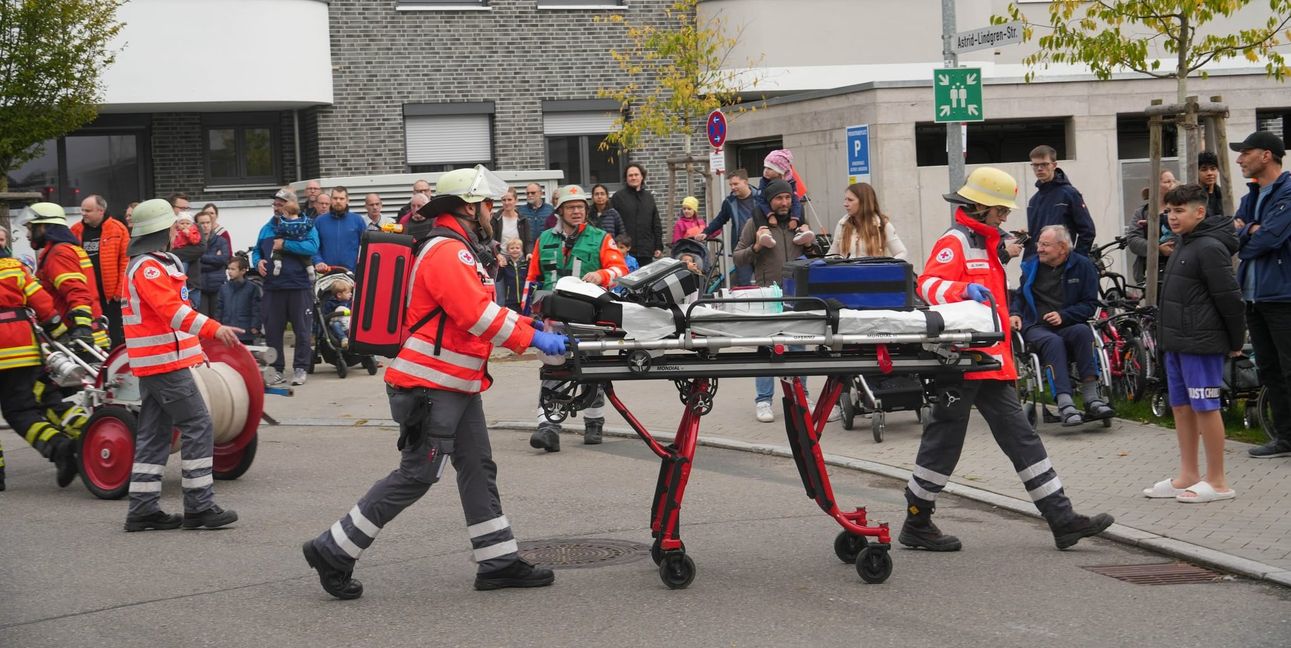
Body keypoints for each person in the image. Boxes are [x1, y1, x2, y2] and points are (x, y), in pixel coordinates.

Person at [301, 165, 567, 600]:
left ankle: (497, 561)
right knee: (418, 474)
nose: (492, 210)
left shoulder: (461, 247)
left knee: (478, 467)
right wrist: (534, 338)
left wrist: (530, 323)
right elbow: (476, 317)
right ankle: (334, 548)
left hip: (454, 385)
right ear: (467, 207)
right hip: (430, 385)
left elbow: (483, 309)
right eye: (485, 204)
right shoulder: (448, 251)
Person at [902, 166, 1113, 552]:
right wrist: (964, 288)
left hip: (989, 361)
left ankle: (1062, 518)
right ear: (980, 207)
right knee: (944, 441)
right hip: (961, 361)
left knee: (1022, 438)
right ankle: (917, 519)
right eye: (1000, 210)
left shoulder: (986, 243)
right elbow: (929, 285)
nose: (1005, 216)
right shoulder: (956, 241)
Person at [120, 198, 242, 532]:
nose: (179, 230)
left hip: (158, 363)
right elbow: (173, 313)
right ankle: (199, 505)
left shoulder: (152, 263)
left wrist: (195, 350)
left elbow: (169, 320)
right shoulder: (148, 268)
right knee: (199, 424)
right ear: (161, 230)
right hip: (162, 365)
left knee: (154, 434)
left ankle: (142, 510)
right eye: (174, 225)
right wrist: (215, 329)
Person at [1144, 184, 1245, 502]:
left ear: (1199, 212)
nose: (1172, 217)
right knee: (1182, 408)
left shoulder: (1210, 247)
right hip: (1176, 343)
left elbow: (1230, 299)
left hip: (1201, 343)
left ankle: (1217, 481)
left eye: (1180, 211)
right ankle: (1188, 474)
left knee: (1205, 407)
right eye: (1169, 211)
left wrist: (1235, 340)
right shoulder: (1182, 244)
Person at [527, 184, 629, 451]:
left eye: (581, 207)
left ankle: (594, 422)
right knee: (553, 368)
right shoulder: (544, 239)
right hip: (552, 318)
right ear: (559, 210)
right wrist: (526, 314)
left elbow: (621, 269)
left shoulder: (601, 238)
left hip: (590, 317)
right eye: (571, 207)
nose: (577, 211)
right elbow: (532, 278)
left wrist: (602, 275)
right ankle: (548, 426)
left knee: (592, 369)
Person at [734, 180, 834, 423]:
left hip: (798, 295)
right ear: (770, 201)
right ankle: (764, 400)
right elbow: (738, 257)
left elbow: (821, 258)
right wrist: (757, 247)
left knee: (799, 346)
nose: (784, 203)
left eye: (788, 198)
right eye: (779, 198)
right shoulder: (755, 224)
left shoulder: (799, 224)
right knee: (767, 348)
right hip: (768, 295)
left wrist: (809, 245)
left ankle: (803, 396)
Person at [1011, 225, 1112, 426]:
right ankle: (1065, 403)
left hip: (1068, 323)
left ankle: (1092, 398)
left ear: (1063, 248)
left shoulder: (1083, 267)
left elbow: (1090, 304)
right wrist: (1013, 313)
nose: (1038, 248)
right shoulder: (1032, 268)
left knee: (1084, 332)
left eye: (1045, 245)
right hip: (1036, 325)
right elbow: (1020, 296)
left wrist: (1064, 316)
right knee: (1052, 341)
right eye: (1039, 243)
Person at [0, 246, 78, 490]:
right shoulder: (14, 267)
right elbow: (41, 302)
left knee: (17, 411)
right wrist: (61, 334)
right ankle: (61, 444)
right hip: (23, 347)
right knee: (25, 407)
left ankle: (57, 447)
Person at [1234, 130, 1291, 458]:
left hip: (1283, 296)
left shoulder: (1288, 190)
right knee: (1269, 369)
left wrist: (1250, 231)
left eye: (1246, 152)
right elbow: (1235, 237)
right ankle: (1286, 438)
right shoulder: (1250, 196)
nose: (1240, 159)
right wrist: (1249, 231)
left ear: (1266, 155)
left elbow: (1268, 240)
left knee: (1290, 368)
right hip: (1254, 297)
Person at [22, 203, 109, 352]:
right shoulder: (69, 249)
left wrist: (82, 328)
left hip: (79, 338)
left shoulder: (59, 253)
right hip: (88, 332)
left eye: (31, 228)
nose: (28, 235)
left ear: (44, 227)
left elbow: (77, 291)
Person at [252, 201, 320, 387]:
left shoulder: (306, 225)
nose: (277, 208)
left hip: (299, 286)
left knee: (302, 331)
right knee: (273, 332)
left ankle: (300, 368)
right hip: (273, 288)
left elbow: (312, 248)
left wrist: (285, 244)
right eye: (275, 205)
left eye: (281, 205)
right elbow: (257, 250)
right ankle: (277, 370)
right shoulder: (266, 229)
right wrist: (257, 262)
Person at [72, 194, 130, 348]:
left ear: (100, 211)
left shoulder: (118, 229)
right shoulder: (76, 230)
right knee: (92, 329)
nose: (84, 213)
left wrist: (119, 291)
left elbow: (126, 260)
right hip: (87, 292)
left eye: (88, 210)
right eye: (82, 210)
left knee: (114, 332)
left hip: (110, 295)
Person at [1023, 145, 1096, 259]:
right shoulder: (1033, 201)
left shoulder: (1069, 194)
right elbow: (1036, 236)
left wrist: (1076, 259)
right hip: (1036, 264)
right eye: (1035, 165)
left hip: (1061, 264)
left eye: (1044, 164)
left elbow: (1087, 231)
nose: (1040, 168)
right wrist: (1026, 238)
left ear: (1054, 165)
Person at [701, 168, 760, 286]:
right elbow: (720, 219)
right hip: (741, 248)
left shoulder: (760, 197)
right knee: (744, 283)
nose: (733, 187)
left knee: (763, 282)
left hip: (760, 245)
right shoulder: (729, 202)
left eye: (736, 184)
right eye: (731, 185)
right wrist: (706, 232)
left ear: (745, 182)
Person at [1126, 169, 1179, 287]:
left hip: (1178, 268)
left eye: (1174, 181)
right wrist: (1157, 249)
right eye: (1167, 181)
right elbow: (1133, 240)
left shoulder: (1180, 210)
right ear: (1156, 186)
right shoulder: (1142, 212)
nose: (1172, 184)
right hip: (1149, 272)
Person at [827, 182, 908, 259]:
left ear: (864, 202)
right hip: (846, 273)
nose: (845, 204)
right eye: (845, 199)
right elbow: (831, 255)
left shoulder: (883, 225)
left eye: (850, 200)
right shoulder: (842, 225)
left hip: (873, 273)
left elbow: (902, 252)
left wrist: (886, 268)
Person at [612, 163, 663, 267]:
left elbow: (656, 223)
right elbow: (612, 223)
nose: (633, 177)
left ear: (642, 176)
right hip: (625, 250)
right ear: (626, 178)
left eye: (636, 174)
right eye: (630, 175)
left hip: (646, 250)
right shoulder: (618, 197)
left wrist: (658, 246)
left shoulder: (649, 197)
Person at [312, 186, 367, 272]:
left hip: (352, 273)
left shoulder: (358, 220)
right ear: (330, 200)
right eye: (335, 198)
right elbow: (313, 246)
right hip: (326, 272)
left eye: (341, 198)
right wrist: (318, 261)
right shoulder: (319, 221)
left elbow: (366, 246)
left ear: (347, 200)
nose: (338, 201)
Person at [755, 149, 805, 231]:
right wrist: (770, 215)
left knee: (800, 207)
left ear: (779, 171)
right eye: (765, 167)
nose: (766, 171)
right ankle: (763, 232)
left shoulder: (791, 182)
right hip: (768, 210)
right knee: (757, 209)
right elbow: (760, 199)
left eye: (770, 168)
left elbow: (795, 201)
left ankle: (800, 231)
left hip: (786, 212)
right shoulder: (764, 181)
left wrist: (794, 219)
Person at [217, 256, 261, 344]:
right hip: (227, 330)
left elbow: (256, 308)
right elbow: (219, 309)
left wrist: (255, 325)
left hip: (245, 332)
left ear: (243, 271)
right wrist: (217, 325)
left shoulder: (252, 288)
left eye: (233, 269)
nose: (229, 272)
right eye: (228, 269)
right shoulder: (223, 288)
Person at [196, 210, 230, 317]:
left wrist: (201, 257)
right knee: (203, 319)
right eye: (202, 223)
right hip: (200, 287)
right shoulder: (194, 243)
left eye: (208, 222)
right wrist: (215, 259)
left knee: (217, 319)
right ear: (196, 225)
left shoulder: (221, 241)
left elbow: (224, 259)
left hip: (217, 286)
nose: (205, 226)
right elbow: (195, 264)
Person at [170, 211, 205, 312]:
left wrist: (188, 234)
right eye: (182, 223)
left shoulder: (194, 230)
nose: (185, 225)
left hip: (193, 280)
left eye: (187, 223)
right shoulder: (174, 231)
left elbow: (200, 248)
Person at [491, 187, 532, 253]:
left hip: (520, 259)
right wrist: (497, 255)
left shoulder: (523, 220)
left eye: (509, 200)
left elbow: (528, 242)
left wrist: (529, 253)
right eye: (504, 200)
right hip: (502, 259)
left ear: (516, 200)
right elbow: (491, 241)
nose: (506, 203)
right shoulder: (496, 219)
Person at [495, 238, 526, 310]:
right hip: (510, 300)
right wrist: (500, 267)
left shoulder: (525, 264)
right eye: (512, 248)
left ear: (521, 249)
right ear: (508, 251)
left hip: (524, 299)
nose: (515, 250)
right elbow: (498, 278)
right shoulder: (505, 265)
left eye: (517, 248)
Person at [322, 278, 353, 349]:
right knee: (335, 324)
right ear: (339, 295)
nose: (351, 294)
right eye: (348, 292)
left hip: (348, 323)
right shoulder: (330, 303)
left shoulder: (350, 303)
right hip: (338, 325)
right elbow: (326, 316)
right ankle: (343, 339)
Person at [1197, 150, 1226, 218]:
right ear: (1197, 172)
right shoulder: (1192, 195)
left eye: (1213, 169)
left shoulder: (1222, 193)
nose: (1210, 173)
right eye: (1204, 169)